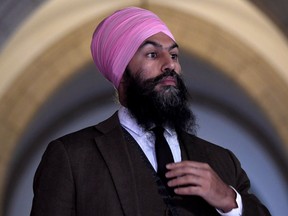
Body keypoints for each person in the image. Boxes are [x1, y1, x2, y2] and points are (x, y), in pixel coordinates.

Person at [30, 6, 271, 216]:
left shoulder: (222, 161)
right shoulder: (72, 157)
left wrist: (229, 200)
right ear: (121, 73)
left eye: (174, 55)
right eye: (152, 54)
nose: (170, 65)